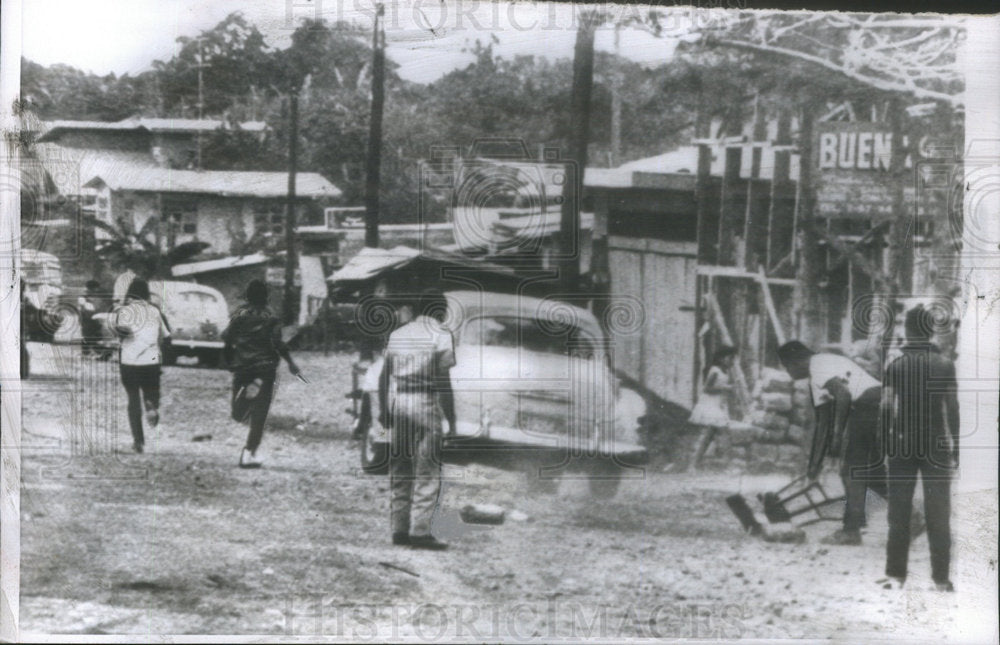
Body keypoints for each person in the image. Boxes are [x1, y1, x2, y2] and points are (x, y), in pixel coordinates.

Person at [777, 340, 893, 545]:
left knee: (851, 469)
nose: (789, 373)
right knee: (872, 472)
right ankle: (912, 516)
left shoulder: (818, 364)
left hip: (868, 404)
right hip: (878, 403)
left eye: (787, 367)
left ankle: (851, 531)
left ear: (795, 362)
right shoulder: (820, 371)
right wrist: (814, 465)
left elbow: (843, 395)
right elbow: (823, 425)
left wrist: (838, 434)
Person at [881, 305, 959, 592]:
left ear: (907, 330)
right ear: (930, 330)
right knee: (938, 513)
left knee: (898, 512)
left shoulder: (895, 366)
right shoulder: (944, 364)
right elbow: (952, 408)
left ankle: (895, 576)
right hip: (936, 445)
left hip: (902, 445)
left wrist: (887, 443)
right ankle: (941, 579)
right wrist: (957, 445)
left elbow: (887, 408)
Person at [378, 289, 456, 550]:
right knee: (427, 469)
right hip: (424, 402)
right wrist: (451, 420)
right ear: (441, 311)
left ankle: (398, 530)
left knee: (400, 467)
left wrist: (383, 409)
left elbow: (383, 375)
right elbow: (444, 381)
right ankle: (420, 532)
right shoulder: (442, 335)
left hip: (400, 400)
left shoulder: (399, 333)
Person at [222, 279, 302, 468]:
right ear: (266, 296)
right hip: (265, 368)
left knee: (237, 414)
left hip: (242, 366)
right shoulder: (271, 316)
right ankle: (249, 453)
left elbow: (227, 337)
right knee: (260, 414)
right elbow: (277, 343)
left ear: (247, 296)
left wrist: (230, 359)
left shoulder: (239, 313)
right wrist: (291, 363)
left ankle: (245, 400)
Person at [110, 279, 170, 454]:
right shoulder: (155, 311)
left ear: (130, 293)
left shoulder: (125, 311)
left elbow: (120, 332)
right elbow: (165, 335)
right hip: (151, 360)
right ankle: (152, 406)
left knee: (133, 399)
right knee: (150, 393)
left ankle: (138, 441)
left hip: (129, 360)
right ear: (146, 294)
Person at [688, 346, 738, 471]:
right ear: (721, 359)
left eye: (733, 359)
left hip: (717, 405)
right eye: (730, 358)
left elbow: (722, 390)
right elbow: (706, 389)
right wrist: (725, 388)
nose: (732, 361)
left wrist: (729, 390)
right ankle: (729, 466)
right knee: (724, 434)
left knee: (708, 436)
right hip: (709, 405)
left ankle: (693, 465)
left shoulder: (726, 372)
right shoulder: (715, 370)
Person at [79, 279, 103, 356]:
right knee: (86, 335)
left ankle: (98, 350)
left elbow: (98, 307)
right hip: (86, 319)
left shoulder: (97, 297)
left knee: (97, 335)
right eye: (95, 289)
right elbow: (86, 307)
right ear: (90, 289)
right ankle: (86, 352)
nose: (96, 290)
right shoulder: (83, 297)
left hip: (95, 318)